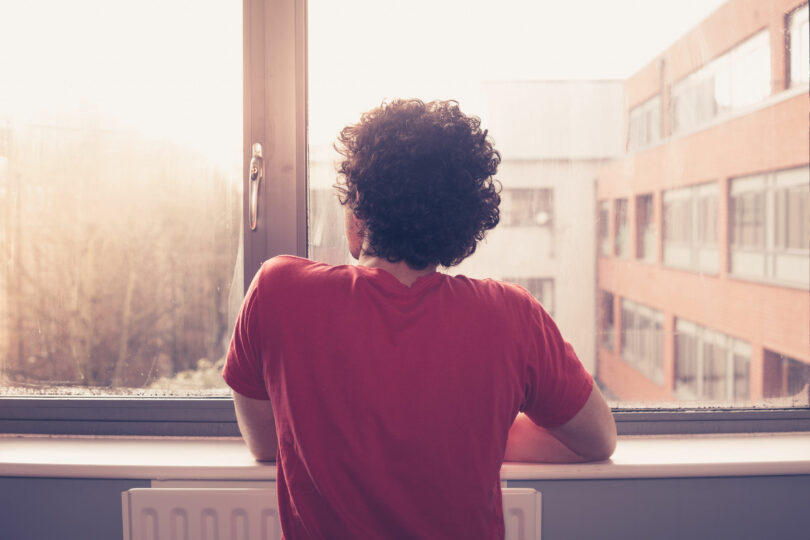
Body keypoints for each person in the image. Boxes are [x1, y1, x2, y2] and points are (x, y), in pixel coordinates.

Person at [223, 99, 616, 539]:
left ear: (357, 219)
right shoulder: (512, 316)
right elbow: (598, 439)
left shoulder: (278, 291)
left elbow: (266, 444)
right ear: (462, 227)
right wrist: (473, 432)